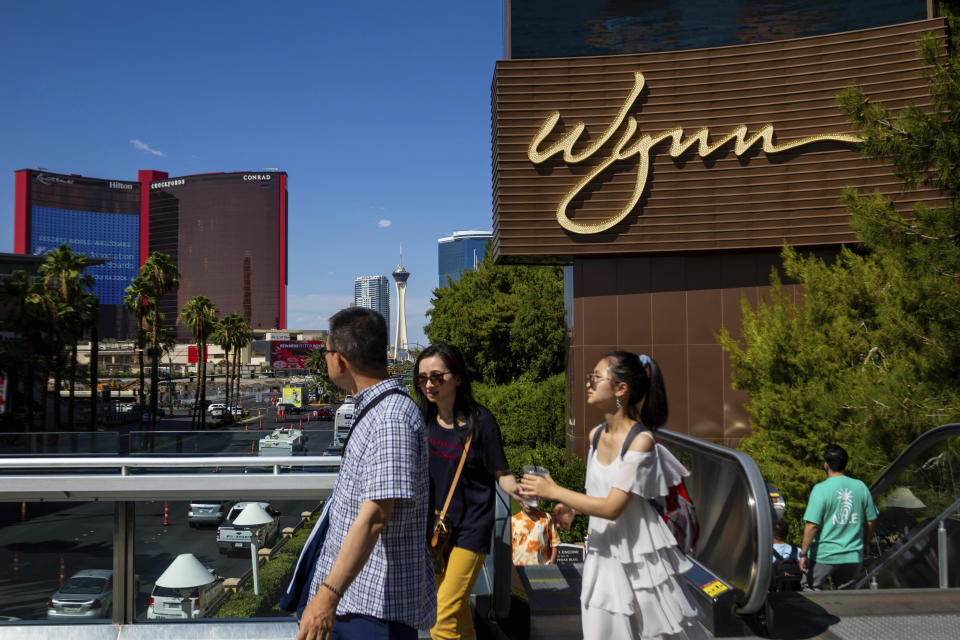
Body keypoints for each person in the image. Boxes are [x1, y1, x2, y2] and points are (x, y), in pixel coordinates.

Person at [520, 352, 706, 640]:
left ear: (621, 389)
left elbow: (613, 507)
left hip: (637, 559)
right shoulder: (596, 435)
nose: (588, 384)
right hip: (601, 553)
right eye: (589, 377)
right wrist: (573, 508)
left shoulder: (641, 442)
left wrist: (553, 490)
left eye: (596, 377)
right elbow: (599, 495)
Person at [297, 308, 435, 640]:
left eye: (327, 352)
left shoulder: (390, 419)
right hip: (357, 601)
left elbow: (374, 517)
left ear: (340, 359)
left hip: (375, 610)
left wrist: (327, 597)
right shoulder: (377, 409)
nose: (326, 359)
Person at [413, 342, 521, 640]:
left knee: (441, 617)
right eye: (422, 378)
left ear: (458, 378)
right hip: (434, 531)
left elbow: (502, 473)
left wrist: (522, 491)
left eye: (437, 376)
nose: (429, 384)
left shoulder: (481, 422)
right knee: (457, 613)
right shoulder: (423, 421)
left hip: (471, 530)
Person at [799, 444, 878, 591]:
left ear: (826, 464)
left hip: (824, 554)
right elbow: (871, 519)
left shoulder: (820, 489)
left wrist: (804, 553)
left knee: (810, 588)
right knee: (847, 594)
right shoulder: (860, 487)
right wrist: (867, 544)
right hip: (852, 554)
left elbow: (812, 525)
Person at [511, 500, 560, 565]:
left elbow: (555, 542)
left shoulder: (546, 517)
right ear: (520, 502)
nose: (528, 504)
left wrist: (552, 561)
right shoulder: (513, 521)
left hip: (541, 568)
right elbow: (507, 547)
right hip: (518, 568)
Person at [770, 520, 802, 592]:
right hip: (795, 594)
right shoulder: (798, 551)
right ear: (787, 533)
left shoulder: (767, 552)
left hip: (774, 595)